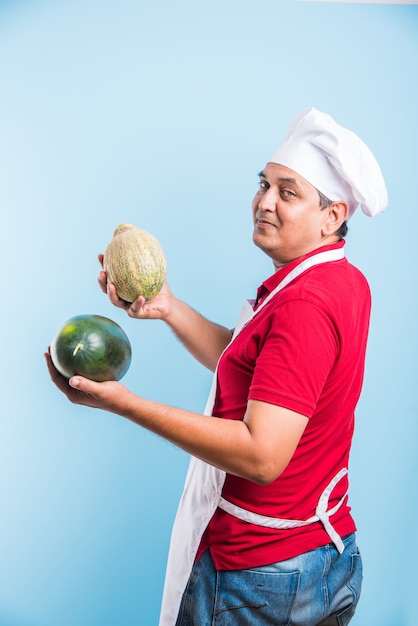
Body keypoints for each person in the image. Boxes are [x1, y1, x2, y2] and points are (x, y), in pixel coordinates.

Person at [45, 107, 388, 626]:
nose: (264, 203)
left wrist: (124, 403)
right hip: (321, 552)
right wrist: (168, 306)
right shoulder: (341, 280)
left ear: (333, 215)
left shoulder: (305, 304)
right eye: (264, 184)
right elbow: (258, 369)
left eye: (288, 192)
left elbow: (261, 455)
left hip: (263, 575)